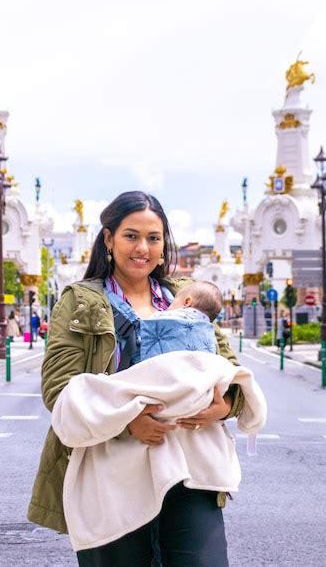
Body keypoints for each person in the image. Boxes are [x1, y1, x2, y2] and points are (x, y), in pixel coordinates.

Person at [28, 191, 246, 567]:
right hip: (112, 476)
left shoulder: (188, 297)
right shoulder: (79, 301)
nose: (142, 248)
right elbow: (58, 388)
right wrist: (128, 422)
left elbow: (229, 369)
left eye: (153, 238)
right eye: (131, 236)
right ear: (109, 239)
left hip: (190, 471)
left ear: (164, 245)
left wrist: (223, 407)